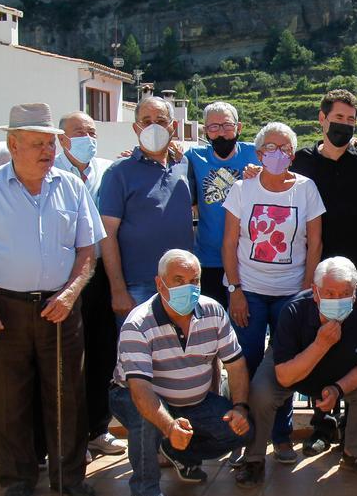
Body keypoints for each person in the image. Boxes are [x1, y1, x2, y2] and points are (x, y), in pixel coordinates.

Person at [0, 102, 104, 496]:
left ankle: (68, 476)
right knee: (6, 396)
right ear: (12, 144)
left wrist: (71, 293)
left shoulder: (71, 186)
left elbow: (88, 250)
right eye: (37, 143)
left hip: (61, 307)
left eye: (50, 143)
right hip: (1, 308)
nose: (47, 151)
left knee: (68, 394)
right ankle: (16, 477)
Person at [108, 249, 252, 496]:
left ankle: (178, 453)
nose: (188, 288)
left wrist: (240, 407)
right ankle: (144, 490)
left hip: (193, 400)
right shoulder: (137, 324)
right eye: (178, 280)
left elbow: (236, 365)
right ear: (159, 283)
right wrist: (168, 425)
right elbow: (140, 391)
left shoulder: (214, 311)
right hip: (138, 396)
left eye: (194, 281)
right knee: (147, 419)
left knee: (240, 431)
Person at [223, 122, 325, 470]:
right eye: (269, 147)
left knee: (284, 368)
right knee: (246, 364)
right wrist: (235, 289)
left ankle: (281, 436)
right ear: (258, 152)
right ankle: (245, 437)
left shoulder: (307, 189)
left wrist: (307, 291)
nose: (276, 153)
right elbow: (229, 243)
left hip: (290, 294)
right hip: (248, 291)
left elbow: (315, 243)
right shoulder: (242, 188)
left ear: (292, 155)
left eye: (284, 148)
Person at [240, 257, 357, 486]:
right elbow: (284, 376)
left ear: (355, 292)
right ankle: (254, 459)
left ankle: (355, 453)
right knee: (261, 391)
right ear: (315, 292)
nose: (337, 300)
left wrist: (338, 390)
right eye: (329, 293)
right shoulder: (293, 310)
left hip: (341, 376)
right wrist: (321, 345)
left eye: (344, 293)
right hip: (294, 370)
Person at [289, 89, 357, 454]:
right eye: (338, 119)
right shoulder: (301, 161)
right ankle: (321, 423)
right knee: (320, 341)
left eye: (351, 120)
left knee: (354, 343)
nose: (344, 126)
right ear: (322, 119)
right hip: (317, 267)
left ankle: (351, 425)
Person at [55, 112, 126, 459]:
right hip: (62, 277)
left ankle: (97, 429)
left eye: (92, 131)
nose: (88, 137)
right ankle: (71, 438)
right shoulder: (50, 171)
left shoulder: (107, 169)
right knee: (69, 359)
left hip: (99, 275)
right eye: (80, 132)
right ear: (62, 138)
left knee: (102, 354)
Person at [100, 96, 194, 321]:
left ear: (173, 127)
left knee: (182, 351)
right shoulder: (118, 172)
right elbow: (107, 234)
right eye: (146, 120)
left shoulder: (184, 164)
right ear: (136, 127)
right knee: (139, 355)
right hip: (137, 286)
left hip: (183, 283)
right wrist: (118, 290)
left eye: (161, 121)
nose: (154, 127)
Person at [185, 101, 260, 306]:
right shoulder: (193, 157)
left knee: (245, 325)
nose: (221, 133)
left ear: (239, 127)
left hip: (247, 260)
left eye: (227, 126)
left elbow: (287, 157)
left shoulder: (257, 154)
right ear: (205, 130)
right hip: (208, 259)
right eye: (213, 127)